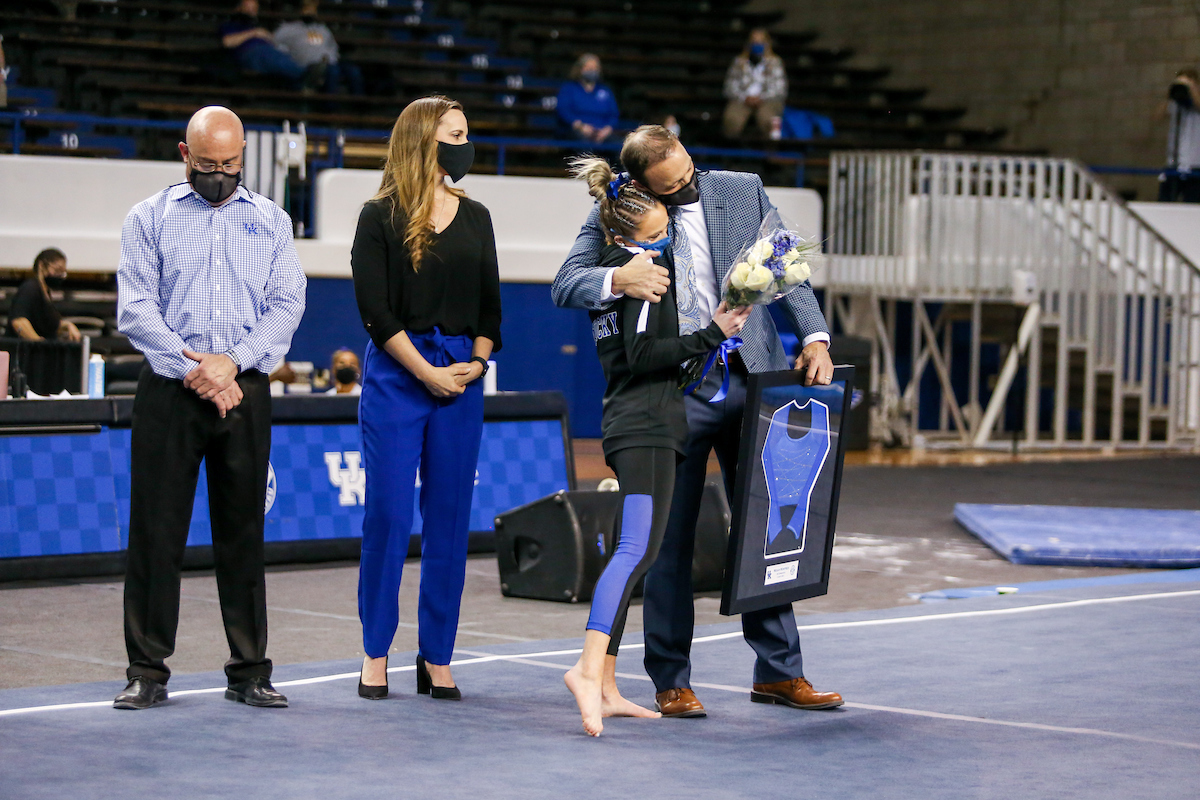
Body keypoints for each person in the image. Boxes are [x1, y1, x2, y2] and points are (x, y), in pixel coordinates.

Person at [553, 125, 841, 719]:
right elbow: (566, 283)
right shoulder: (620, 211)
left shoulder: (741, 189)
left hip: (752, 378)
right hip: (673, 392)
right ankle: (670, 678)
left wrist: (814, 335)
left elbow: (787, 265)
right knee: (666, 542)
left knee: (771, 527)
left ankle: (780, 672)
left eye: (688, 173)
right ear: (639, 183)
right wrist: (618, 278)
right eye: (671, 184)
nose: (686, 187)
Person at [112, 105, 307, 710]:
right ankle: (147, 670)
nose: (220, 173)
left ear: (243, 156)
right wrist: (196, 368)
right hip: (172, 390)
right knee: (156, 533)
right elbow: (136, 308)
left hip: (243, 388)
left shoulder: (272, 221)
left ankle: (249, 670)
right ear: (184, 155)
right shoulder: (148, 218)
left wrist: (235, 362)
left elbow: (288, 303)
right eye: (207, 164)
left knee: (243, 532)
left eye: (230, 163)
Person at [562, 157, 752, 736]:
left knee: (637, 549)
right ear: (625, 237)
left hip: (634, 419)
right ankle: (587, 671)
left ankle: (610, 684)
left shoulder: (622, 268)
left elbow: (634, 352)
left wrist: (702, 334)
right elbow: (646, 358)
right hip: (647, 425)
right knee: (636, 551)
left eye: (667, 229)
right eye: (656, 234)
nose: (667, 239)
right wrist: (713, 333)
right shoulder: (646, 274)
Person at [351, 96, 501, 701]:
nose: (466, 146)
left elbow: (492, 307)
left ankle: (436, 655)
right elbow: (375, 313)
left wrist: (478, 362)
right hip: (397, 375)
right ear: (423, 141)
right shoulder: (378, 215)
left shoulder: (479, 216)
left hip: (462, 380)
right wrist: (425, 373)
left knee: (449, 522)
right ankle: (375, 651)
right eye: (456, 134)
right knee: (387, 514)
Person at [273, 0, 364, 96]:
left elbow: (333, 47)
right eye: (307, 8)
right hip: (310, 65)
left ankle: (359, 106)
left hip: (331, 62)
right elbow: (275, 44)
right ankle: (330, 108)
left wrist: (331, 58)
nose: (310, 11)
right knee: (333, 72)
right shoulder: (287, 29)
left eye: (313, 8)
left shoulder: (322, 29)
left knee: (353, 71)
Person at [220, 0, 306, 90]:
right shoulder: (231, 25)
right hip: (249, 53)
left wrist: (267, 36)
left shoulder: (258, 24)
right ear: (239, 8)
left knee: (284, 57)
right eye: (248, 7)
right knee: (274, 58)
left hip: (269, 51)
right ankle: (306, 75)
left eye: (254, 8)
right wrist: (254, 33)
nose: (251, 11)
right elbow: (227, 42)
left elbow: (274, 41)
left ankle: (304, 84)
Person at [722, 29, 787, 140]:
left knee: (770, 122)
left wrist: (761, 98)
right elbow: (729, 87)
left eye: (761, 41)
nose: (757, 44)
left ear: (767, 43)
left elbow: (780, 89)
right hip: (742, 100)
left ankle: (771, 153)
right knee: (731, 120)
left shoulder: (775, 62)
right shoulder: (739, 62)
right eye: (754, 41)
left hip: (767, 101)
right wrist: (745, 98)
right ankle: (734, 152)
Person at [5, 248, 81, 342]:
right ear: (41, 265)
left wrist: (68, 325)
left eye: (62, 272)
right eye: (57, 270)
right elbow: (19, 321)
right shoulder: (30, 288)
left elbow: (49, 324)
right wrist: (38, 342)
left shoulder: (46, 294)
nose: (60, 275)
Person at [557, 54, 619, 144]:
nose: (592, 71)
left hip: (602, 133)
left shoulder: (605, 90)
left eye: (595, 68)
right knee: (583, 144)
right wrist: (580, 126)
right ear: (580, 69)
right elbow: (563, 111)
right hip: (577, 131)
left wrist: (607, 130)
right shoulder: (569, 88)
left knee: (618, 145)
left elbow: (614, 114)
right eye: (589, 67)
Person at [1160, 68, 1200, 203]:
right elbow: (1157, 116)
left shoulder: (1196, 100)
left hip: (1195, 164)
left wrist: (1192, 89)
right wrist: (1170, 94)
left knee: (1192, 205)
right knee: (1164, 202)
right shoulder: (1175, 102)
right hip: (1173, 163)